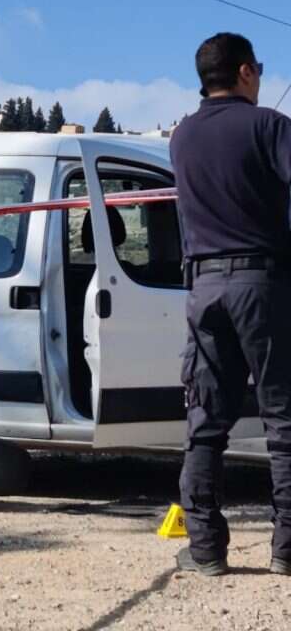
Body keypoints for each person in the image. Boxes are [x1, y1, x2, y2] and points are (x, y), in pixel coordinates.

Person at [170, 32, 291, 577]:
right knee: (284, 422)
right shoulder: (269, 126)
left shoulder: (181, 136)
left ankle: (205, 550)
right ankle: (287, 550)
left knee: (206, 424)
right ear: (245, 72)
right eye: (259, 68)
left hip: (204, 290)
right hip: (262, 286)